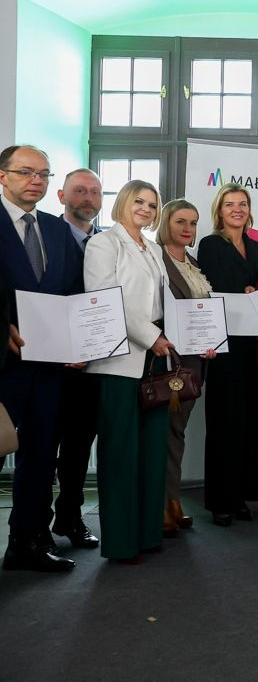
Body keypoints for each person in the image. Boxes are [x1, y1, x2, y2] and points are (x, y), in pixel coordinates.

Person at [0, 145, 83, 573]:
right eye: (26, 171)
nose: (36, 180)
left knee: (40, 455)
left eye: (44, 174)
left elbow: (73, 291)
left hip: (50, 364)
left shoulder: (55, 228)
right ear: (2, 176)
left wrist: (81, 341)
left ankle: (26, 541)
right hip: (4, 363)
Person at [84, 180, 173, 564]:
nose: (145, 209)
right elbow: (106, 300)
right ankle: (121, 542)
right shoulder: (103, 244)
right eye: (139, 201)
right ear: (123, 202)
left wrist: (182, 333)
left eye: (152, 205)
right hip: (119, 360)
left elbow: (164, 302)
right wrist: (152, 337)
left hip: (156, 358)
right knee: (121, 452)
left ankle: (148, 534)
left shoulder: (153, 249)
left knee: (152, 450)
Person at [197, 183, 258, 526]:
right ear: (219, 211)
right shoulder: (210, 245)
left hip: (252, 344)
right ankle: (221, 501)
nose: (237, 209)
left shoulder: (257, 248)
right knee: (223, 424)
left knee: (248, 423)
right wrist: (245, 291)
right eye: (229, 204)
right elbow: (213, 289)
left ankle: (240, 496)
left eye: (242, 203)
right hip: (222, 344)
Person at [157, 199, 217, 537]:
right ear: (166, 222)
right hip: (166, 362)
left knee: (176, 434)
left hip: (194, 363)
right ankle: (161, 506)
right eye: (180, 221)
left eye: (193, 222)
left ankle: (172, 502)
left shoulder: (193, 263)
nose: (187, 228)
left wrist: (212, 341)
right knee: (163, 435)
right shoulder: (156, 260)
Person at [52, 168, 104, 550]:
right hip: (49, 362)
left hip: (93, 364)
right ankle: (32, 529)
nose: (88, 198)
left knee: (79, 447)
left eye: (95, 192)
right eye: (80, 190)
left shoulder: (107, 243)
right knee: (41, 449)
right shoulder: (44, 236)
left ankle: (69, 518)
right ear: (62, 196)